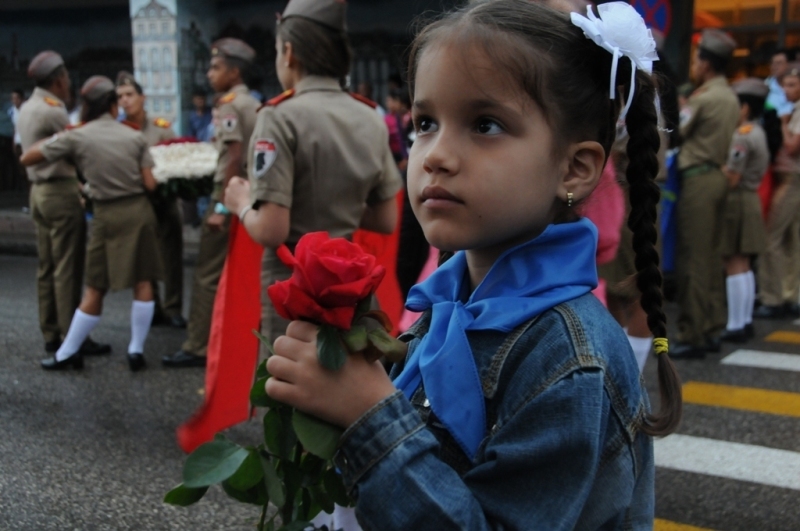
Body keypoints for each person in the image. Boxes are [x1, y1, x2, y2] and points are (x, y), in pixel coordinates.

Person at [262, 1, 681, 529]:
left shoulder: (570, 359)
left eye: (485, 124)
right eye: (425, 123)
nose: (436, 154)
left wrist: (369, 417)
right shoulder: (444, 308)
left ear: (574, 168)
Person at [223, 0, 402, 351]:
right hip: (350, 273)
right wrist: (341, 204)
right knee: (352, 385)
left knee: (292, 391)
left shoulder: (279, 117)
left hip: (296, 276)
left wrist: (242, 203)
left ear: (288, 53)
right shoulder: (369, 117)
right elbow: (385, 218)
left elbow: (272, 228)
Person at [21, 76, 161, 372]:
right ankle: (136, 350)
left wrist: (63, 138)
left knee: (94, 287)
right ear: (113, 105)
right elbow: (150, 184)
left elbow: (28, 157)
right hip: (137, 212)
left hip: (104, 216)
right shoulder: (133, 135)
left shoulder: (77, 136)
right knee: (143, 280)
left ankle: (66, 352)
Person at [163, 38, 260, 368]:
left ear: (234, 72)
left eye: (216, 67)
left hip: (227, 194)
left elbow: (233, 157)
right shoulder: (251, 102)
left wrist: (219, 208)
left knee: (207, 274)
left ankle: (197, 345)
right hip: (246, 192)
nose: (209, 73)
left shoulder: (231, 104)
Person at [16, 51, 109, 357]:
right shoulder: (53, 111)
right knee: (68, 268)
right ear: (58, 80)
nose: (68, 84)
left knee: (47, 267)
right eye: (67, 78)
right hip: (59, 191)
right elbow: (72, 148)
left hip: (38, 192)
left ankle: (51, 332)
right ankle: (73, 337)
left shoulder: (28, 107)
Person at [672, 29, 740, 359]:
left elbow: (678, 131)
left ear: (707, 64)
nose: (695, 65)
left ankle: (693, 332)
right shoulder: (730, 97)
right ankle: (713, 326)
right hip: (719, 177)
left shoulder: (703, 98)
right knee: (712, 256)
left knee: (694, 257)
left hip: (698, 179)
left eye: (698, 59)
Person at [116, 73, 186, 329]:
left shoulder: (161, 127)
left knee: (171, 256)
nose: (125, 101)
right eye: (120, 96)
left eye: (129, 95)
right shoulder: (119, 132)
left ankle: (173, 307)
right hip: (137, 204)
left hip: (165, 202)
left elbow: (178, 158)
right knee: (145, 258)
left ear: (142, 97)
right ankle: (153, 305)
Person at [719, 79, 771, 341]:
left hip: (738, 199)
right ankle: (745, 320)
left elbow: (732, 177)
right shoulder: (758, 131)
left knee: (734, 261)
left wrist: (717, 171)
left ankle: (735, 324)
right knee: (745, 264)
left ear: (746, 108)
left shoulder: (743, 134)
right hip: (750, 199)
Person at [756, 63, 800, 319]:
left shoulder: (792, 113)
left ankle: (773, 297)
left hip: (791, 180)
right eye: (784, 85)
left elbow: (792, 146)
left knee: (771, 238)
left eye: (792, 85)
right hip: (790, 179)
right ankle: (790, 295)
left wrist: (783, 123)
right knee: (792, 240)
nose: (786, 90)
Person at [766, 49, 795, 119]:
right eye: (772, 63)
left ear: (788, 65)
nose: (774, 66)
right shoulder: (765, 87)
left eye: (779, 63)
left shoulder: (797, 87)